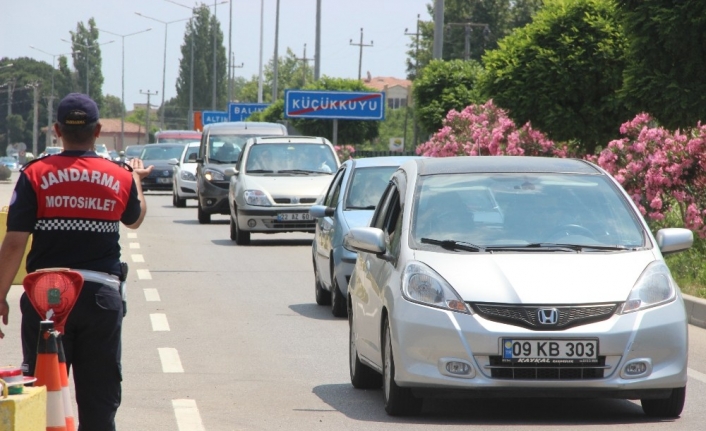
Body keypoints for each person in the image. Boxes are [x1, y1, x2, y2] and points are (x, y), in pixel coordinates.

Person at [0, 93, 153, 431]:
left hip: (45, 300)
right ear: (98, 130)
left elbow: (14, 243)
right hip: (100, 297)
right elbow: (135, 219)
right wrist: (138, 180)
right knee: (99, 398)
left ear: (57, 130)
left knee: (40, 393)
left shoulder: (34, 175)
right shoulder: (119, 177)